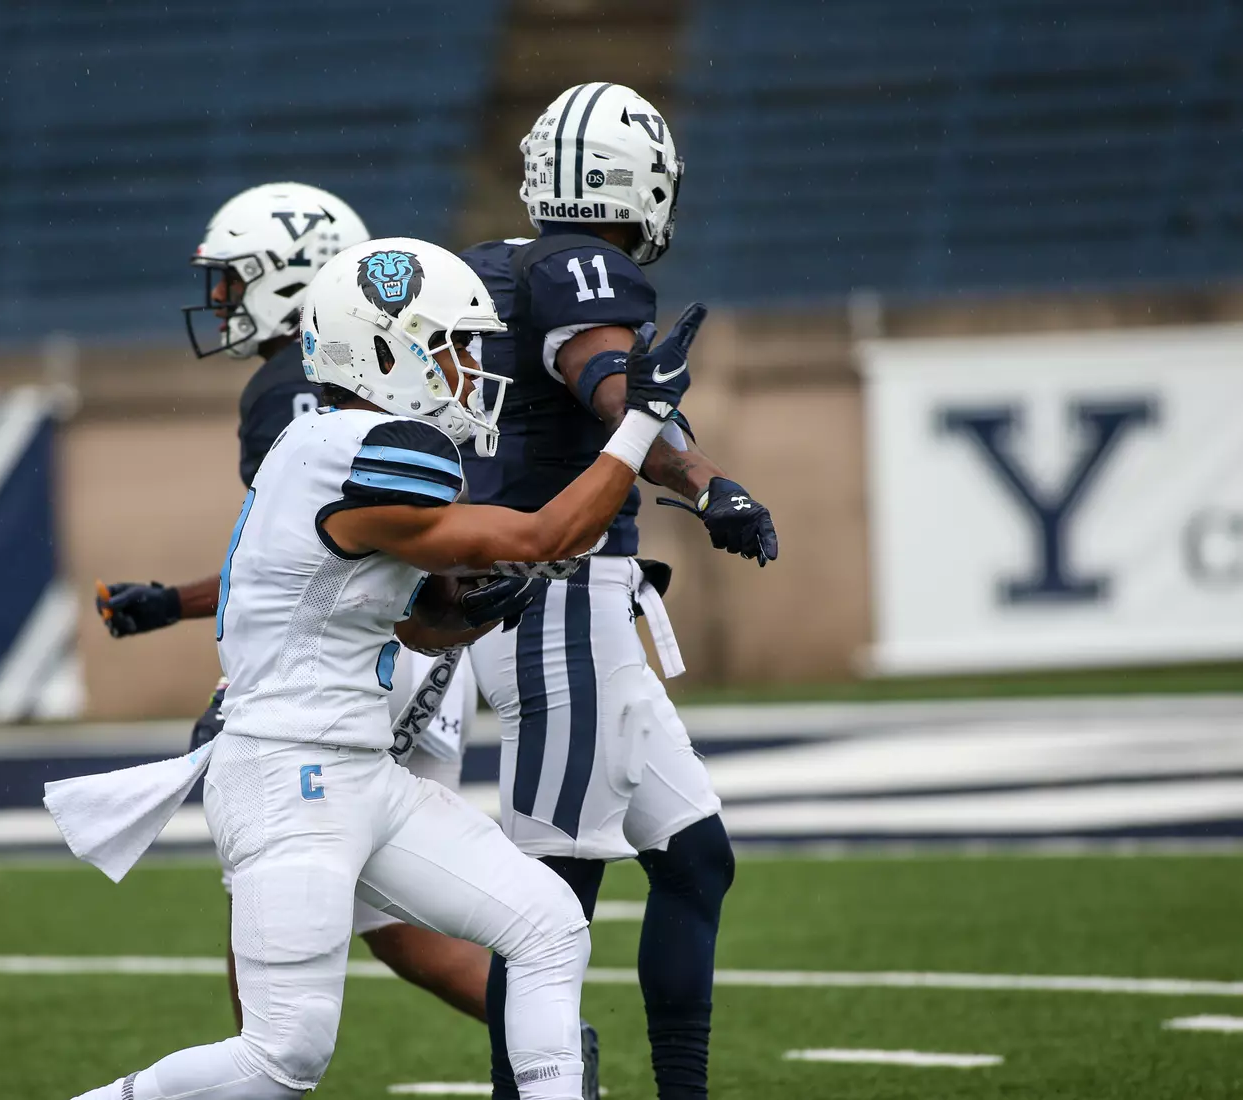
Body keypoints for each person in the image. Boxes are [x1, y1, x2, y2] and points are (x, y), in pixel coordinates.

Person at [70, 235, 704, 1100]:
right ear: (381, 350)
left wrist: (459, 616)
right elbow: (540, 535)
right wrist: (638, 425)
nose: (468, 370)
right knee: (281, 1058)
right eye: (449, 345)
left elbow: (411, 631)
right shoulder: (369, 449)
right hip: (288, 776)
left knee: (548, 924)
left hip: (353, 769)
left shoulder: (331, 444)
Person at [95, 182, 493, 1025]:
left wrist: (181, 611)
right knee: (389, 914)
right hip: (426, 645)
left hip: (358, 660)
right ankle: (549, 1034)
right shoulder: (393, 374)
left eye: (234, 280)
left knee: (266, 862)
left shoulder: (290, 389)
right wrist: (173, 602)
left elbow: (305, 564)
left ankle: (258, 1066)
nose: (220, 302)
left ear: (290, 277)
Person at [458, 83, 780, 1100]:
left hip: (565, 601)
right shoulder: (581, 265)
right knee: (548, 899)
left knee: (695, 860)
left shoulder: (495, 265)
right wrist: (703, 478)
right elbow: (615, 386)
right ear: (630, 178)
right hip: (557, 605)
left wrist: (698, 478)